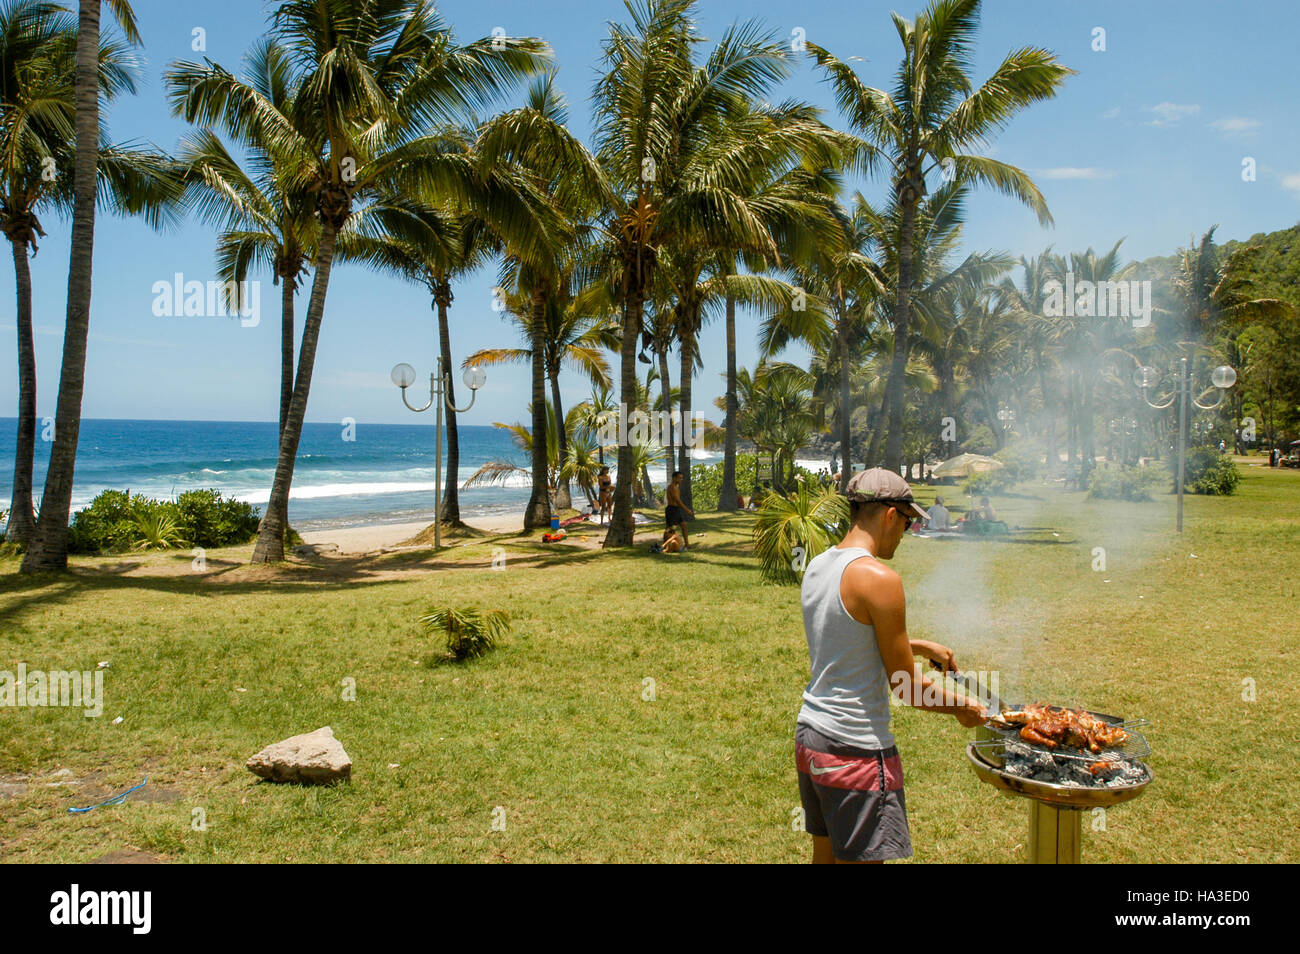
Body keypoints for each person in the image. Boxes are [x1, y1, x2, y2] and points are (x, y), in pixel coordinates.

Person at [795, 468, 986, 864]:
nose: (907, 532)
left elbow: (844, 636)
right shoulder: (880, 578)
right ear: (888, 515)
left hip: (813, 739)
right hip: (856, 751)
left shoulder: (818, 566)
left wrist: (917, 645)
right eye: (908, 521)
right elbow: (907, 688)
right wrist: (964, 709)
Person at [664, 470, 695, 549]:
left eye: (682, 478)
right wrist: (687, 510)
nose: (681, 480)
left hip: (676, 509)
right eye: (679, 478)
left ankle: (687, 544)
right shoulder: (672, 487)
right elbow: (678, 501)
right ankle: (666, 545)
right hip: (672, 510)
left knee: (684, 525)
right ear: (674, 478)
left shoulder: (676, 487)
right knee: (670, 529)